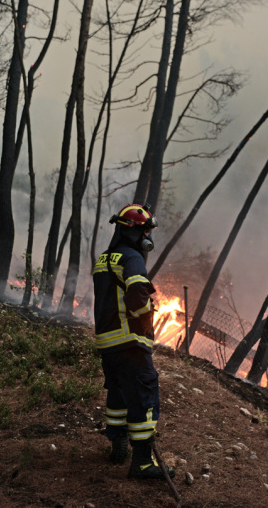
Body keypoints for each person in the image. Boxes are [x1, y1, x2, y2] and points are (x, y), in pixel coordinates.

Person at [92, 203, 175, 480]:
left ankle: (118, 445)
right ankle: (142, 463)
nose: (148, 237)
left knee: (118, 393)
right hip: (130, 341)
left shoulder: (104, 259)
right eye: (146, 231)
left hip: (108, 342)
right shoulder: (132, 258)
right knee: (144, 396)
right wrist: (146, 321)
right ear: (134, 232)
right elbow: (138, 294)